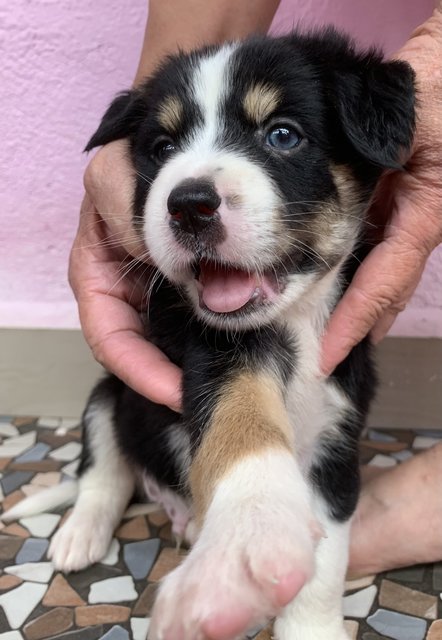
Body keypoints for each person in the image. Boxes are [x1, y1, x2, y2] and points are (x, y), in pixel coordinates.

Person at [69, 0, 442, 576]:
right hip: (156, 452)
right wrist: (98, 495)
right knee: (108, 403)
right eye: (166, 149)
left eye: (283, 134)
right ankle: (101, 487)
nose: (193, 187)